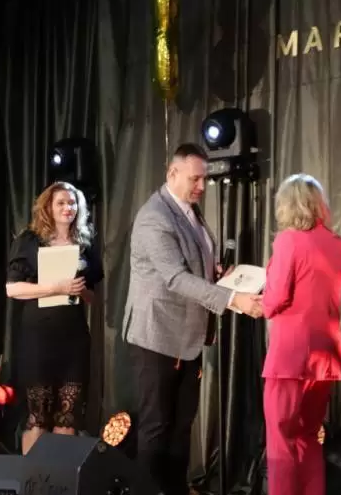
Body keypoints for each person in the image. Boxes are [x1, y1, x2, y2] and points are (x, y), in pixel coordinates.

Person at [122, 143, 263, 495]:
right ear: (172, 173)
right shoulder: (154, 217)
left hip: (187, 338)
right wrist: (232, 299)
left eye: (204, 179)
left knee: (182, 426)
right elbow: (175, 277)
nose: (202, 186)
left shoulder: (189, 211)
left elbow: (193, 266)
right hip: (157, 337)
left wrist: (218, 275)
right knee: (156, 428)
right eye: (195, 179)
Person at [259, 174, 341, 495]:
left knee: (280, 440)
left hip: (290, 356)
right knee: (309, 436)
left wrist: (257, 301)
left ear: (286, 205)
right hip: (325, 355)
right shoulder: (338, 244)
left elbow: (275, 299)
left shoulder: (289, 240)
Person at [6, 181, 103, 455]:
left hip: (73, 338)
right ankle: (33, 477)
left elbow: (94, 298)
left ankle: (61, 478)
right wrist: (55, 288)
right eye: (61, 203)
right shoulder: (30, 240)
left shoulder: (85, 244)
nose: (67, 208)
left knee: (68, 418)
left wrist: (82, 291)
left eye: (72, 203)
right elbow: (12, 289)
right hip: (39, 337)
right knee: (39, 417)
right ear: (48, 207)